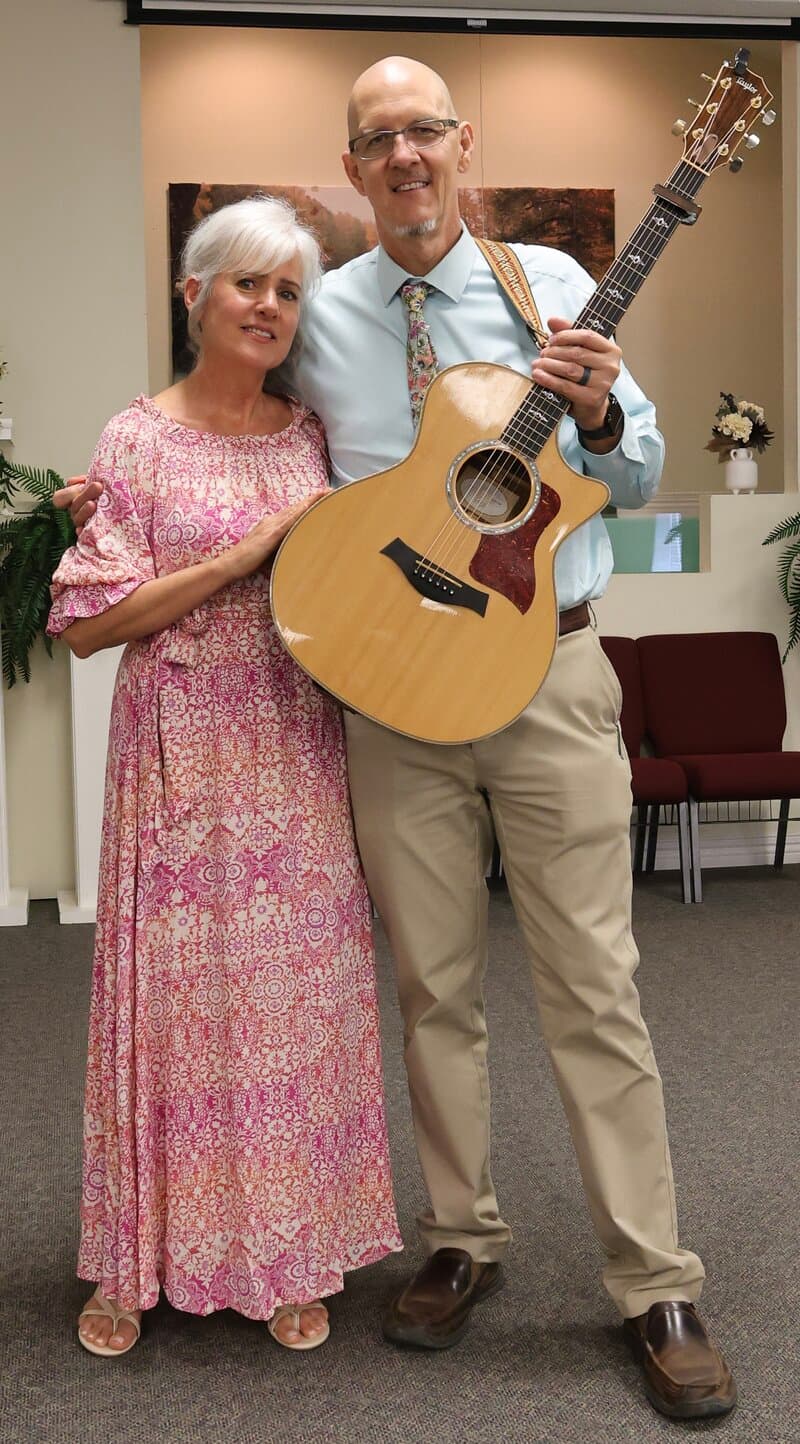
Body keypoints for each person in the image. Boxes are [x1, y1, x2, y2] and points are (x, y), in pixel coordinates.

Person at [58, 58, 735, 1419]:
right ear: (355, 168)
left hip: (545, 666)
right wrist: (116, 479)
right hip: (386, 688)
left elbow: (640, 476)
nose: (407, 155)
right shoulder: (324, 309)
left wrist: (599, 410)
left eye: (426, 129)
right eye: (379, 140)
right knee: (432, 987)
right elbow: (240, 406)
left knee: (593, 982)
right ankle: (460, 1240)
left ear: (461, 141)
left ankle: (654, 1278)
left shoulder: (549, 282)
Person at [48, 195, 401, 1358]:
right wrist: (245, 552)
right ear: (193, 294)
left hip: (292, 751)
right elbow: (93, 624)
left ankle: (287, 1249)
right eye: (246, 282)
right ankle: (134, 1259)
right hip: (180, 758)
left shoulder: (308, 436)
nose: (268, 306)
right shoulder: (133, 440)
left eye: (289, 290)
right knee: (175, 1010)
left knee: (288, 1008)